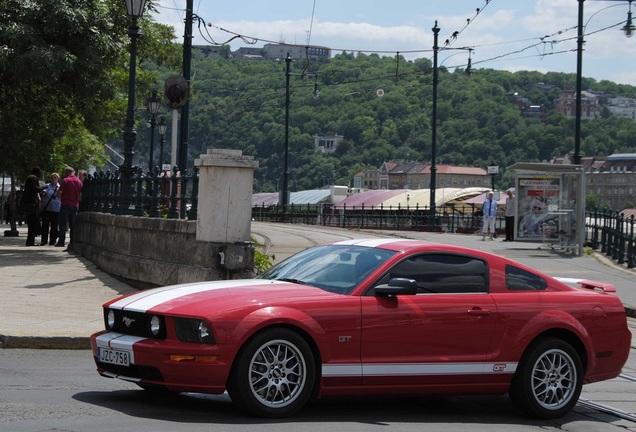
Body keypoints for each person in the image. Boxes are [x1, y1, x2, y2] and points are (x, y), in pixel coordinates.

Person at [55, 166, 83, 248]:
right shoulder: (79, 182)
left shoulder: (65, 180)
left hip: (65, 204)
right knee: (72, 224)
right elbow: (80, 196)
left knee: (63, 223)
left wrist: (61, 196)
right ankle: (72, 242)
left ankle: (61, 241)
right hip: (75, 205)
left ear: (66, 173)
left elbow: (59, 193)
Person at [21, 167, 43, 246]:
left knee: (32, 223)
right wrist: (43, 187)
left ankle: (30, 240)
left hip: (30, 204)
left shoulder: (30, 178)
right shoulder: (33, 178)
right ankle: (30, 241)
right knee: (33, 223)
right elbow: (35, 189)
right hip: (31, 205)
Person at [39, 172, 61, 246]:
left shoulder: (60, 187)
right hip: (47, 208)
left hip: (57, 209)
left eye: (55, 177)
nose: (53, 179)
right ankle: (44, 240)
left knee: (54, 226)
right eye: (52, 177)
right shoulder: (47, 186)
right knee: (45, 225)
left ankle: (52, 241)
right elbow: (41, 195)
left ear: (58, 179)